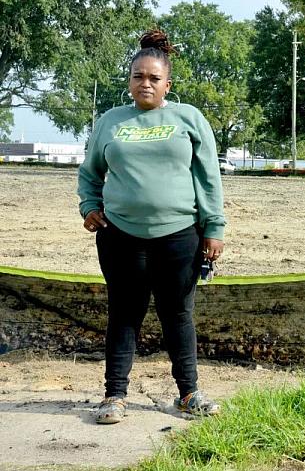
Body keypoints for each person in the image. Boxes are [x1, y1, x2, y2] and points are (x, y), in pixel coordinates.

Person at [77, 29, 226, 424]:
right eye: (138, 76)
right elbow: (90, 173)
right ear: (129, 81)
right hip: (120, 236)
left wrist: (214, 227)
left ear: (167, 84)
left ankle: (188, 393)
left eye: (154, 78)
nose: (145, 83)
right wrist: (89, 206)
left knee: (177, 313)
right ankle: (114, 396)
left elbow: (209, 177)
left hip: (179, 234)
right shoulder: (110, 122)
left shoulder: (188, 119)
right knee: (124, 313)